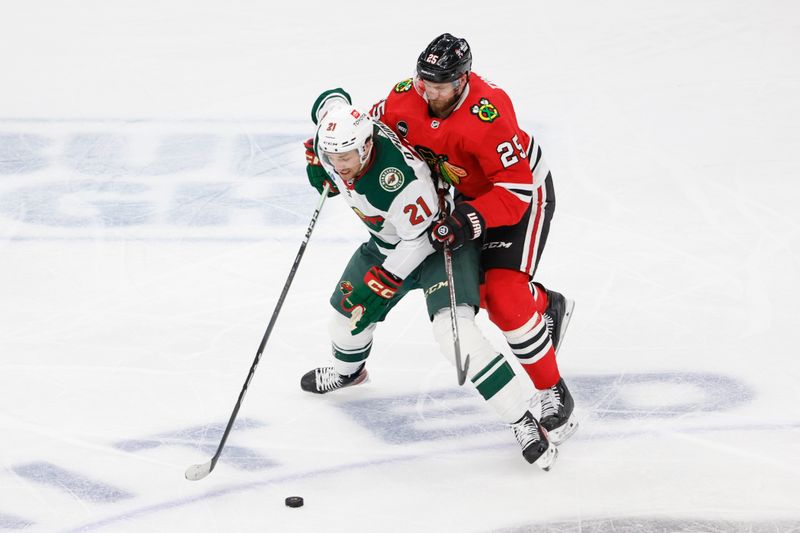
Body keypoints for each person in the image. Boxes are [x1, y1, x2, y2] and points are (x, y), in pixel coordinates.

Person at [299, 88, 557, 468]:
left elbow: (418, 242)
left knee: (457, 337)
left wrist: (384, 280)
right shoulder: (341, 144)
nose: (340, 166)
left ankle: (522, 420)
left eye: (347, 157)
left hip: (438, 245)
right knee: (344, 319)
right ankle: (348, 372)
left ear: (368, 146)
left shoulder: (401, 182)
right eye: (332, 157)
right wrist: (319, 156)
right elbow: (332, 100)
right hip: (387, 242)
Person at [370, 33, 578, 445]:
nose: (429, 91)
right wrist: (329, 145)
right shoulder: (404, 95)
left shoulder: (489, 113)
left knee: (504, 298)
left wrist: (468, 218)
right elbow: (374, 130)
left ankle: (553, 389)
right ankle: (546, 306)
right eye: (424, 79)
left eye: (440, 83)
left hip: (518, 197)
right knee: (477, 289)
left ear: (463, 79)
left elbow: (515, 192)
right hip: (465, 199)